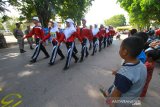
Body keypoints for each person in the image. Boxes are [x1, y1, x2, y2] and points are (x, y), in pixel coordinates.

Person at [100, 36, 147, 107]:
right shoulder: (142, 65)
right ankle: (108, 93)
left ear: (125, 52)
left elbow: (115, 97)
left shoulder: (123, 76)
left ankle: (108, 95)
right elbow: (132, 75)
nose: (119, 50)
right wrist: (119, 72)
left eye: (120, 48)